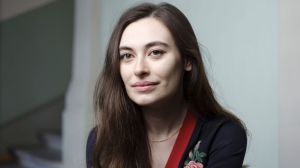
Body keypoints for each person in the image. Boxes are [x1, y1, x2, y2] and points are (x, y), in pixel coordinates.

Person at [86, 2, 247, 168]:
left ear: (187, 60)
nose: (139, 69)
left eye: (155, 52)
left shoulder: (223, 135)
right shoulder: (102, 140)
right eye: (127, 56)